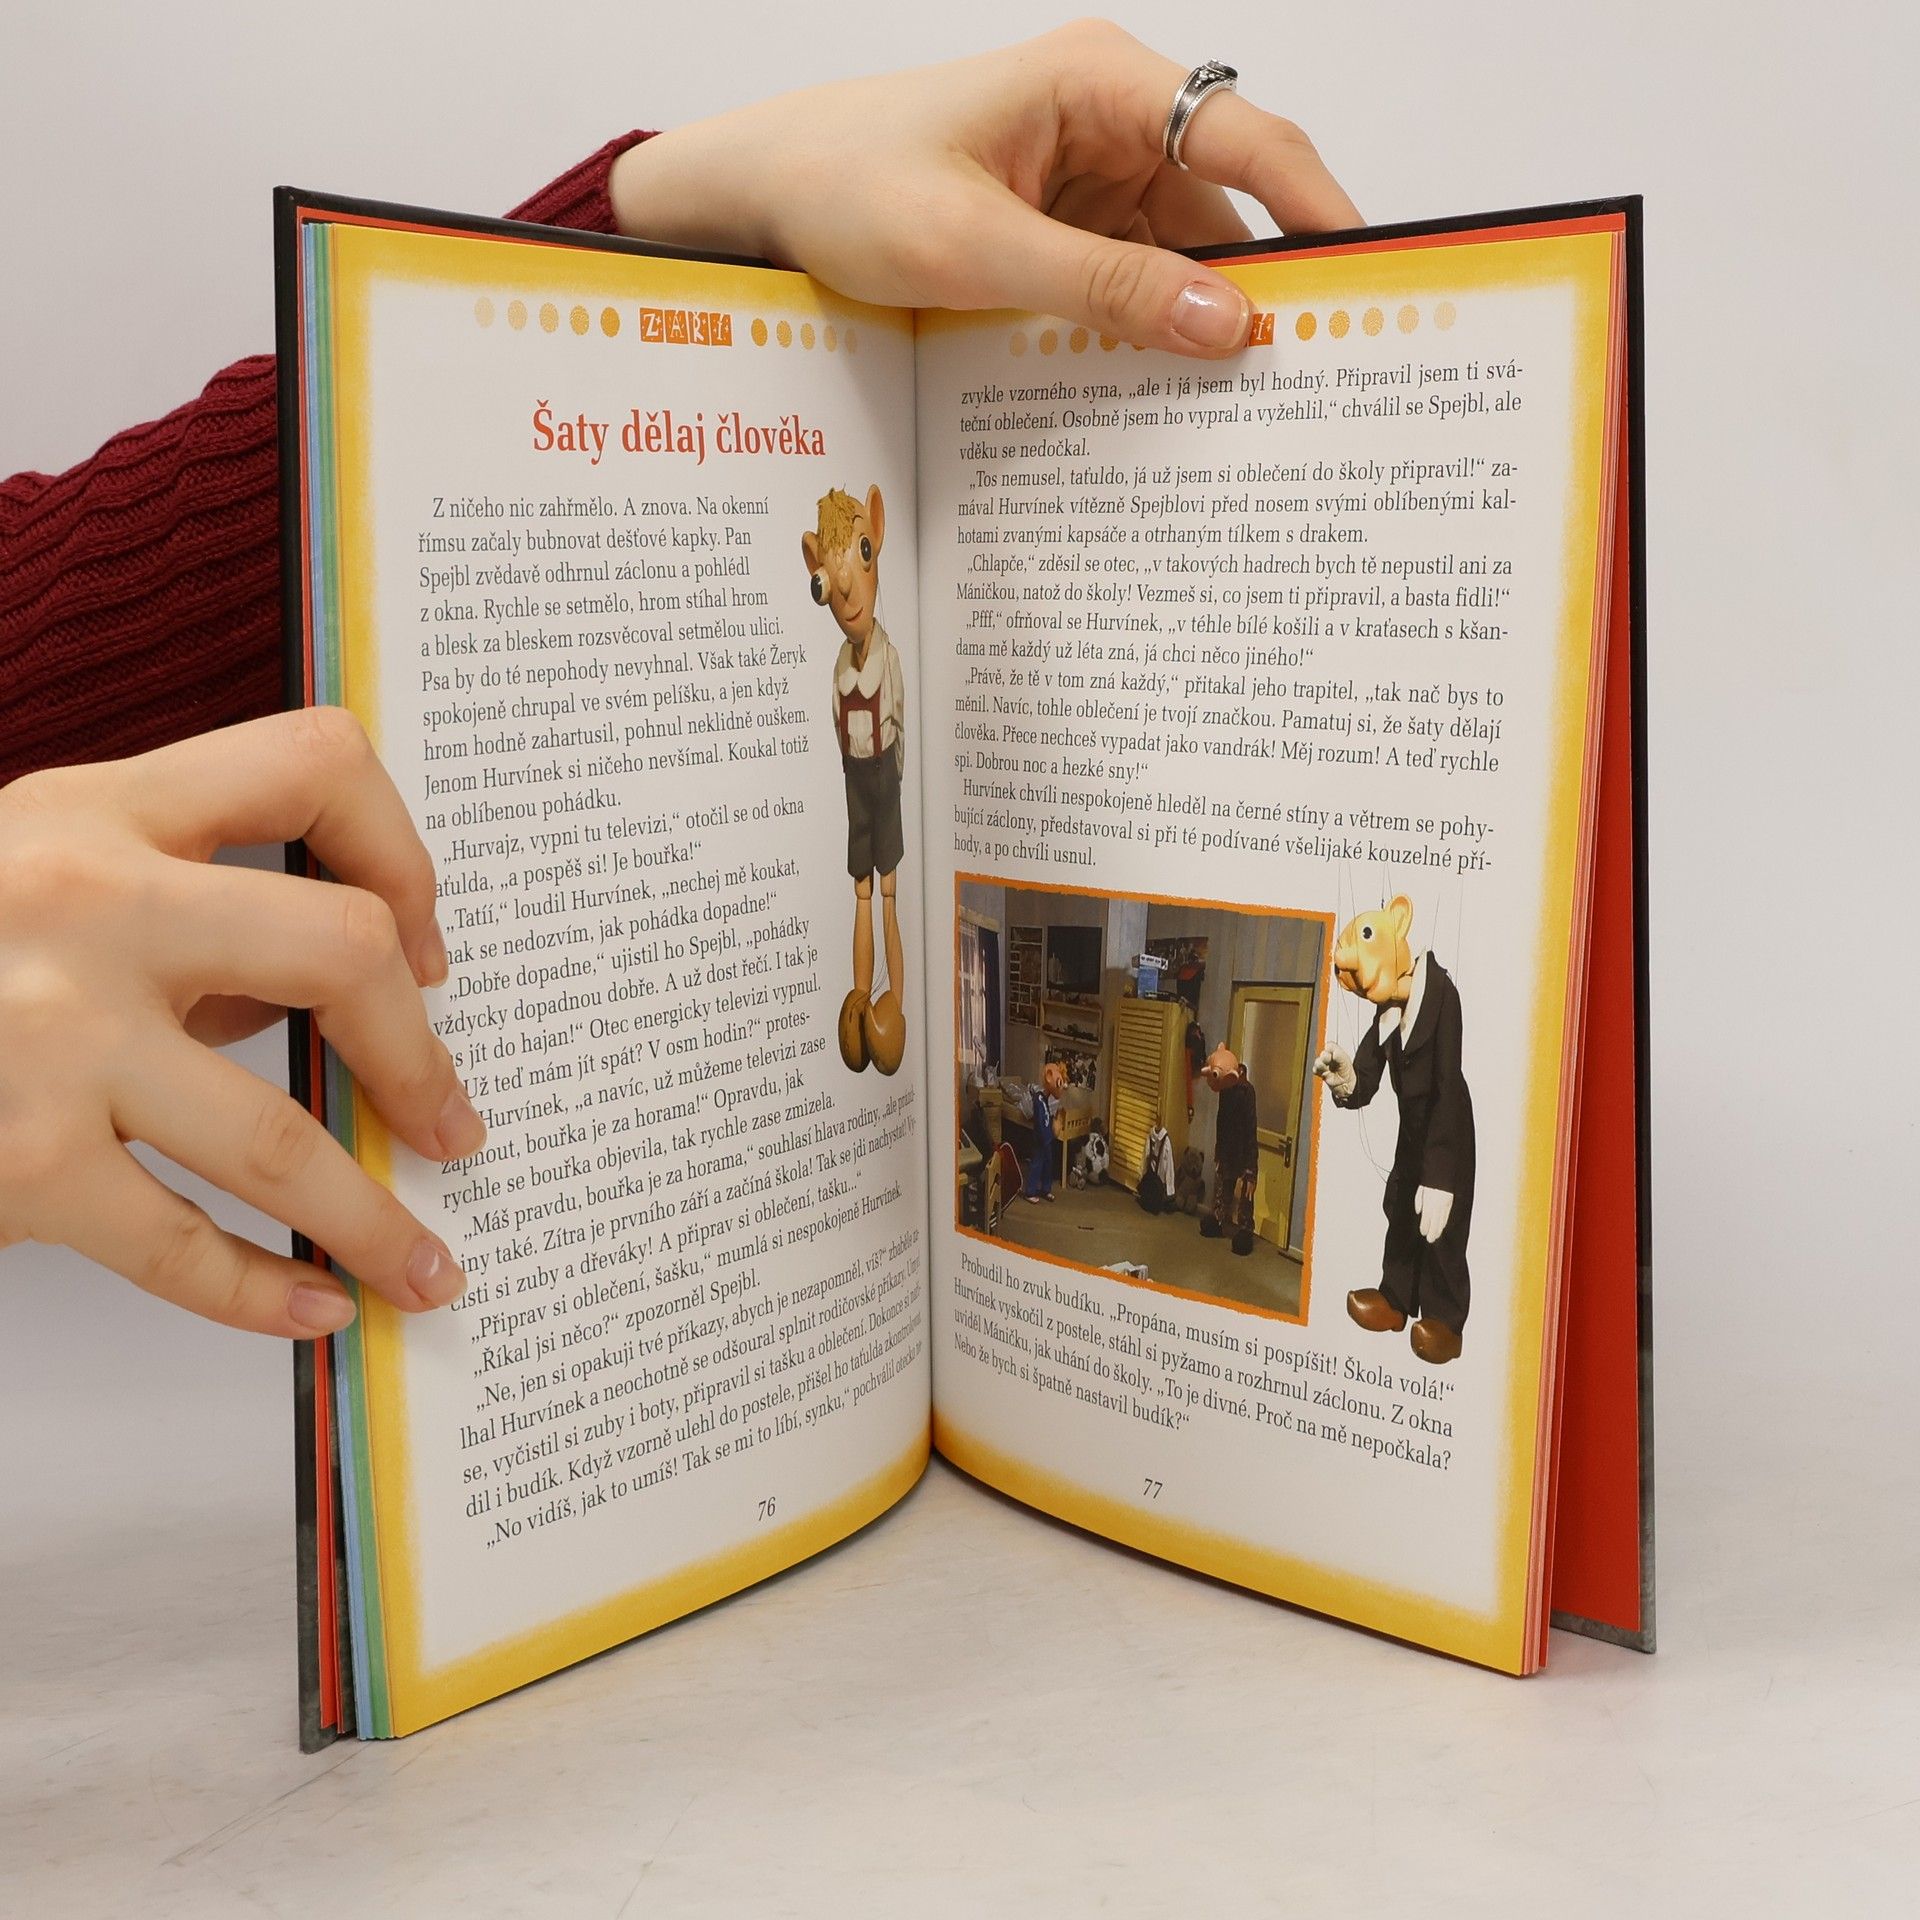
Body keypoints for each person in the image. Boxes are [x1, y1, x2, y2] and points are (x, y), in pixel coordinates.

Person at [0, 22, 1360, 1340]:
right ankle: (873, 1002)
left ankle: (881, 1000)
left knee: (879, 893)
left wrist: (680, 205)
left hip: (876, 783)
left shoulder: (883, 650)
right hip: (832, 846)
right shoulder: (851, 647)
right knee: (867, 893)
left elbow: (44, 615)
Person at [1197, 1043, 1259, 1255]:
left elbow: (1250, 1130)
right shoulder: (1225, 1090)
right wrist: (1219, 1152)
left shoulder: (1247, 1091)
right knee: (1223, 1186)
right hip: (1227, 1148)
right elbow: (1221, 1122)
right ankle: (1218, 1219)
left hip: (1244, 1150)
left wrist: (1251, 1169)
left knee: (1246, 1194)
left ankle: (1245, 1229)